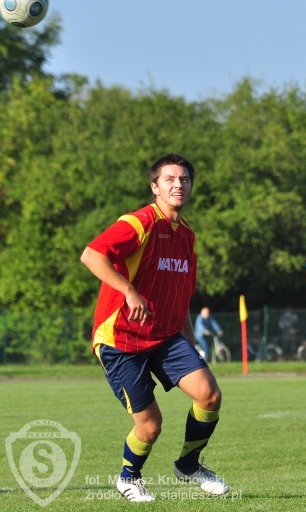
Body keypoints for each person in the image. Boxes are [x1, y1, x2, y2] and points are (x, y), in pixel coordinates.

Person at [81, 153, 229, 502]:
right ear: (155, 187)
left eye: (184, 179)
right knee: (150, 426)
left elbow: (182, 297)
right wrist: (129, 291)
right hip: (121, 340)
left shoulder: (187, 236)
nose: (178, 185)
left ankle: (188, 466)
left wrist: (191, 344)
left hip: (164, 337)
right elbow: (91, 255)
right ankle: (128, 478)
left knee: (209, 395)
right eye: (169, 179)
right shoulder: (139, 222)